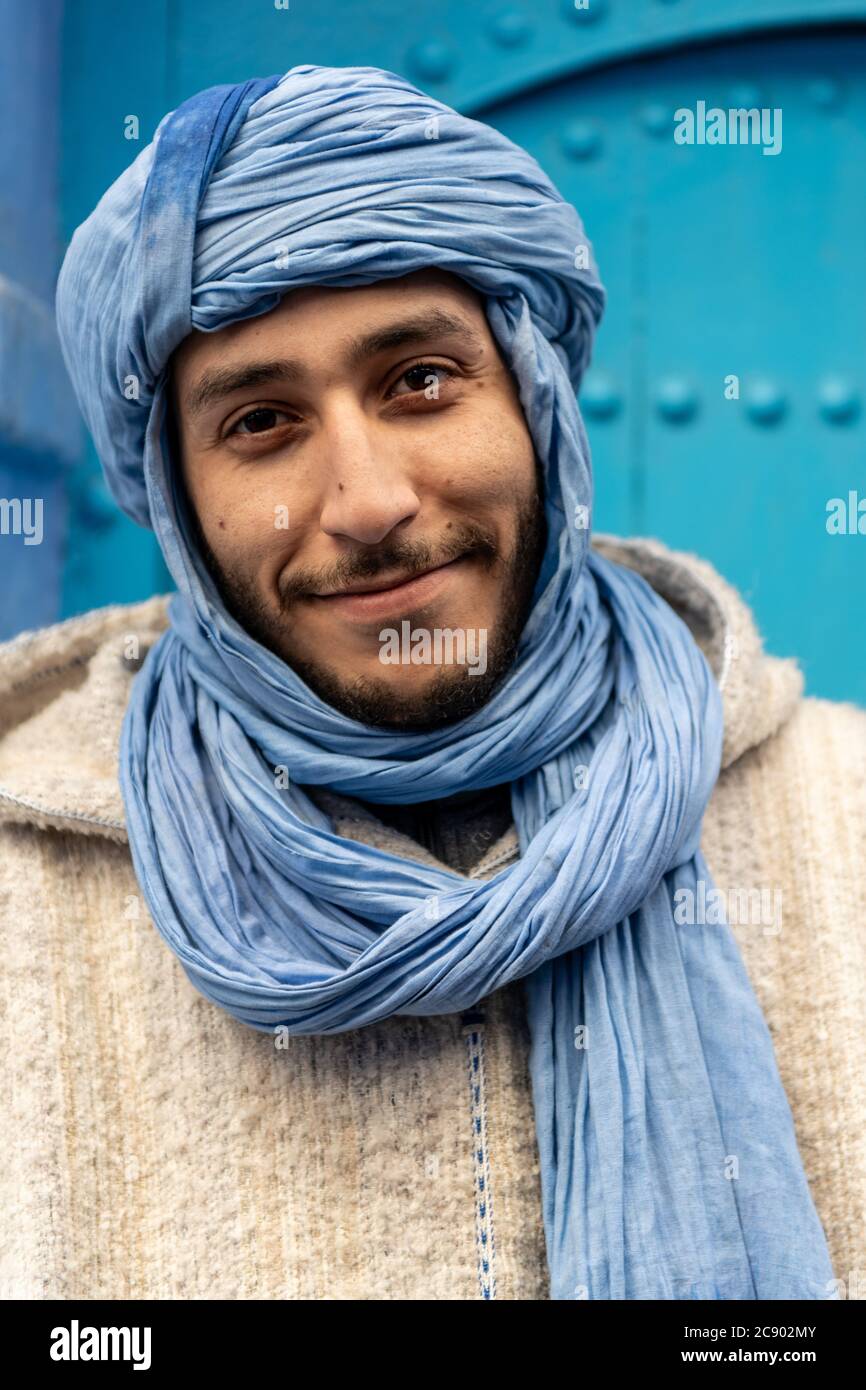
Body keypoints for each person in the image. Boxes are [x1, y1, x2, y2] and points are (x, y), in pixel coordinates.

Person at [0, 63, 863, 1302]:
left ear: (536, 402)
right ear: (176, 500)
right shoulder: (22, 893)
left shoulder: (846, 818)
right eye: (260, 422)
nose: (367, 502)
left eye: (419, 382)